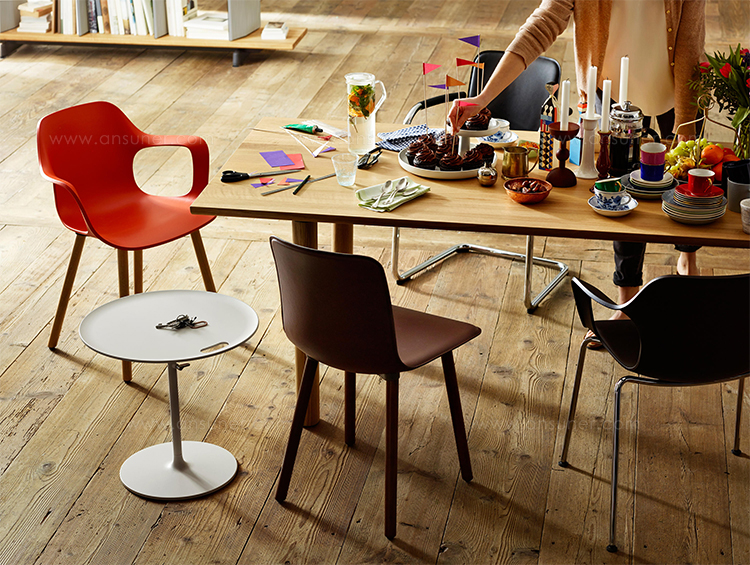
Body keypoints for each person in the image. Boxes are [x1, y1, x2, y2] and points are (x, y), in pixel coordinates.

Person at [449, 0, 704, 344]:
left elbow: (690, 42)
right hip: (609, 89)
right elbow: (540, 26)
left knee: (687, 178)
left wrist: (686, 125)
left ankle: (687, 256)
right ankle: (627, 298)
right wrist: (482, 98)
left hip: (675, 86)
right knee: (618, 190)